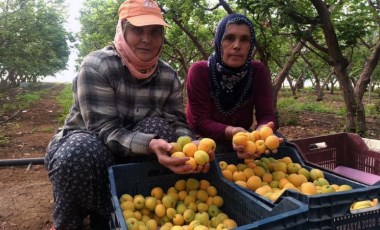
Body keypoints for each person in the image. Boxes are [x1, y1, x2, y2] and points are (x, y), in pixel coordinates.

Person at [44, 1, 213, 229]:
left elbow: (176, 122)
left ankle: (115, 212)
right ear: (122, 30)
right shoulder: (97, 66)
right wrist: (150, 144)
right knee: (79, 153)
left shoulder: (168, 76)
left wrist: (192, 146)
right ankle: (70, 220)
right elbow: (104, 130)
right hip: (90, 146)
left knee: (162, 128)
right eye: (137, 30)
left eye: (155, 31)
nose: (147, 39)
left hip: (133, 151)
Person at [186, 13, 280, 159]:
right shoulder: (199, 71)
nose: (237, 46)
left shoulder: (257, 71)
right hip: (203, 143)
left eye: (244, 40)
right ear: (219, 42)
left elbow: (266, 114)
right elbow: (200, 121)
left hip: (243, 139)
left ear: (251, 46)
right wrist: (234, 132)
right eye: (229, 38)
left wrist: (263, 131)